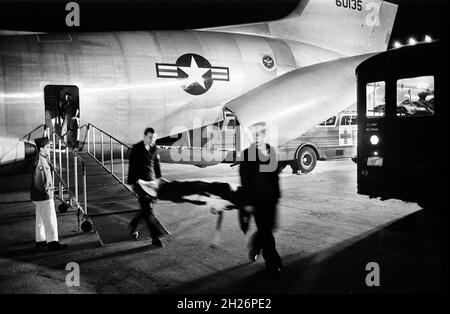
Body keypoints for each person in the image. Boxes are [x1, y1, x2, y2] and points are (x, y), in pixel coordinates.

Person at [239, 122, 282, 273]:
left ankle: (255, 246)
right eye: (253, 134)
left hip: (270, 199)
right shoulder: (247, 154)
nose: (256, 137)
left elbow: (274, 177)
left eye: (259, 134)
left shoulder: (271, 152)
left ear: (265, 134)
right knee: (266, 232)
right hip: (256, 201)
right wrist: (248, 203)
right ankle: (273, 262)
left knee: (268, 229)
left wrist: (277, 195)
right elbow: (245, 181)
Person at [127, 127, 165, 247]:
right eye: (150, 138)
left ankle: (134, 223)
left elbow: (156, 164)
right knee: (148, 211)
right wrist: (134, 182)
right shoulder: (136, 148)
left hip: (150, 182)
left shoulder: (154, 148)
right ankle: (155, 238)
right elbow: (132, 166)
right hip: (139, 183)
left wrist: (158, 179)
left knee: (147, 209)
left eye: (154, 138)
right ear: (144, 137)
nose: (152, 140)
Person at [30, 137, 68, 251]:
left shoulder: (41, 159)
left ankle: (40, 240)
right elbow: (37, 180)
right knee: (50, 218)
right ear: (41, 149)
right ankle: (52, 242)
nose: (49, 149)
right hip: (43, 196)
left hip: (40, 196)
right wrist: (47, 192)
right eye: (47, 147)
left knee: (41, 219)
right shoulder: (40, 161)